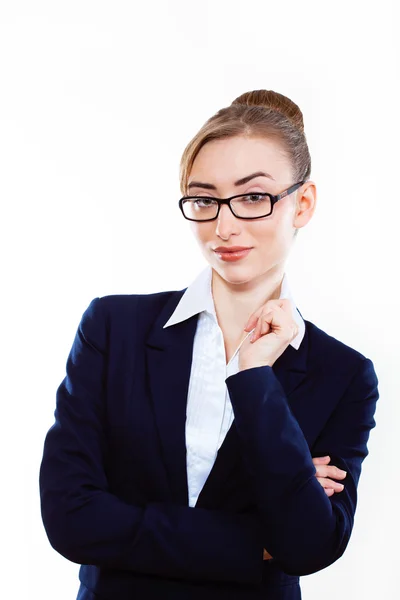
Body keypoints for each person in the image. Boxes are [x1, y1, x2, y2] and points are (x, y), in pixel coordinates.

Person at [39, 89, 379, 600]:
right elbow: (71, 517)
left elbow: (309, 546)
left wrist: (253, 376)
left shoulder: (343, 374)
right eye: (204, 199)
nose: (223, 227)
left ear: (302, 204)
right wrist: (254, 543)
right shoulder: (113, 328)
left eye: (252, 197)